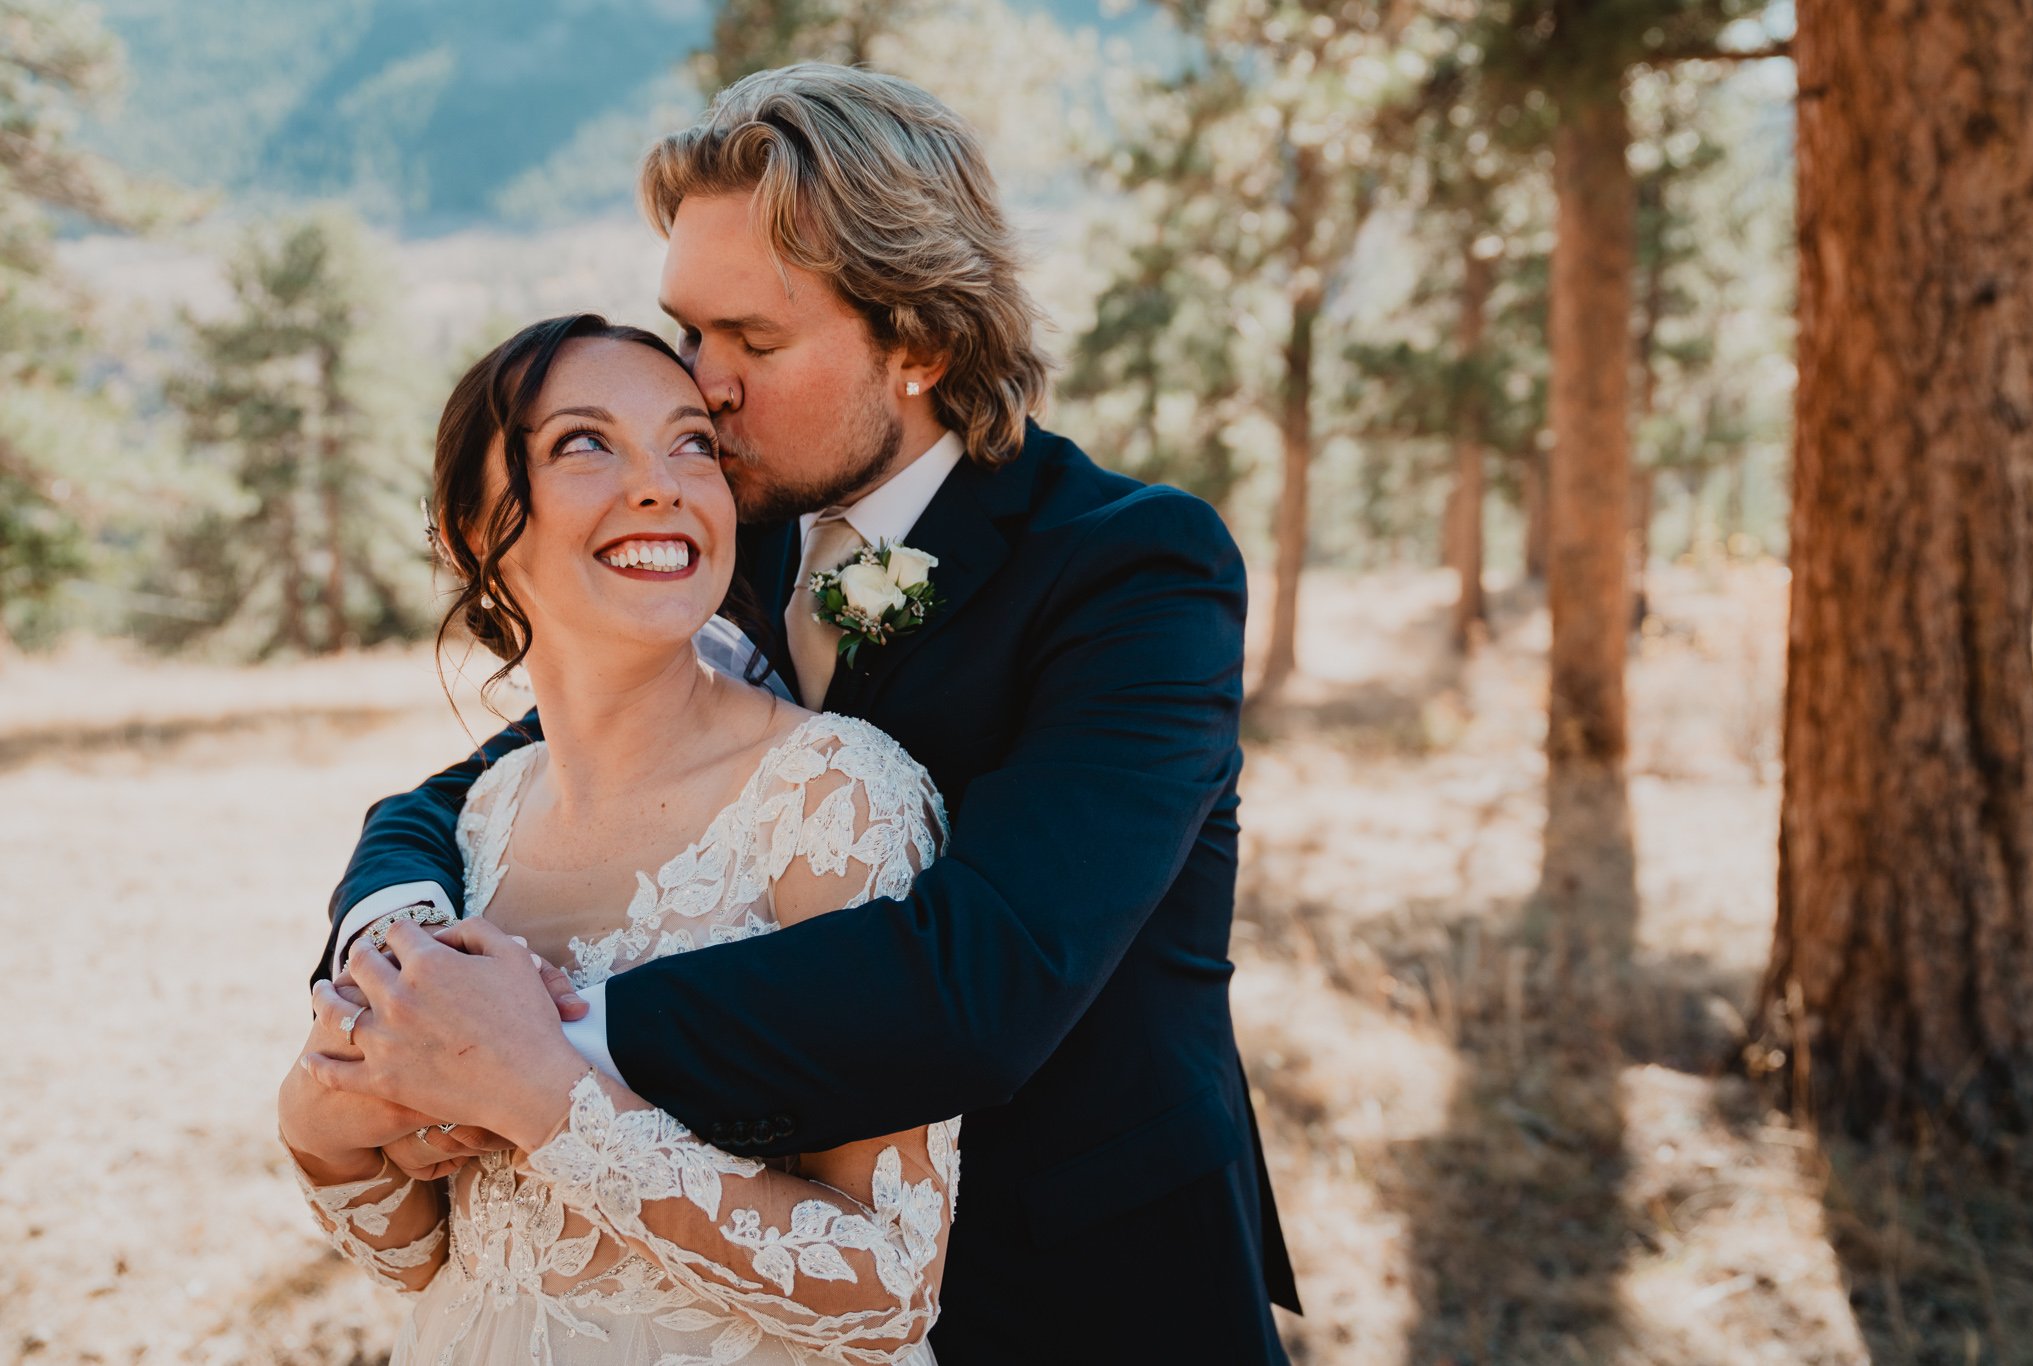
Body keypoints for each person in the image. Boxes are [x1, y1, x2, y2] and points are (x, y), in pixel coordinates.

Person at [308, 64, 1299, 1363]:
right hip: (749, 1286)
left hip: (1080, 1286)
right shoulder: (734, 537)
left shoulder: (1132, 572)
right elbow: (496, 778)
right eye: (689, 332)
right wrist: (399, 943)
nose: (700, 391)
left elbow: (985, 979)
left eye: (753, 343)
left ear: (919, 342)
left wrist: (544, 1039)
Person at [278, 314, 957, 1364]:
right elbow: (439, 1256)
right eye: (583, 442)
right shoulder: (477, 822)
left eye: (693, 442)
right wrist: (315, 1115)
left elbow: (888, 1286)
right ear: (469, 528)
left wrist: (543, 1096)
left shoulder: (833, 800)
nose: (661, 483)